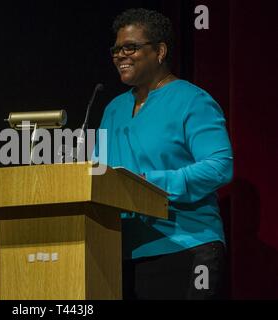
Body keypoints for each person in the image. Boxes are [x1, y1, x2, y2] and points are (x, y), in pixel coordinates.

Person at [94, 8, 233, 299]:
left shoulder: (192, 100)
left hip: (187, 245)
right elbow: (99, 175)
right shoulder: (113, 109)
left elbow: (220, 167)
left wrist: (152, 184)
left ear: (160, 51)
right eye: (116, 49)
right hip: (124, 252)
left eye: (130, 47)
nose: (120, 55)